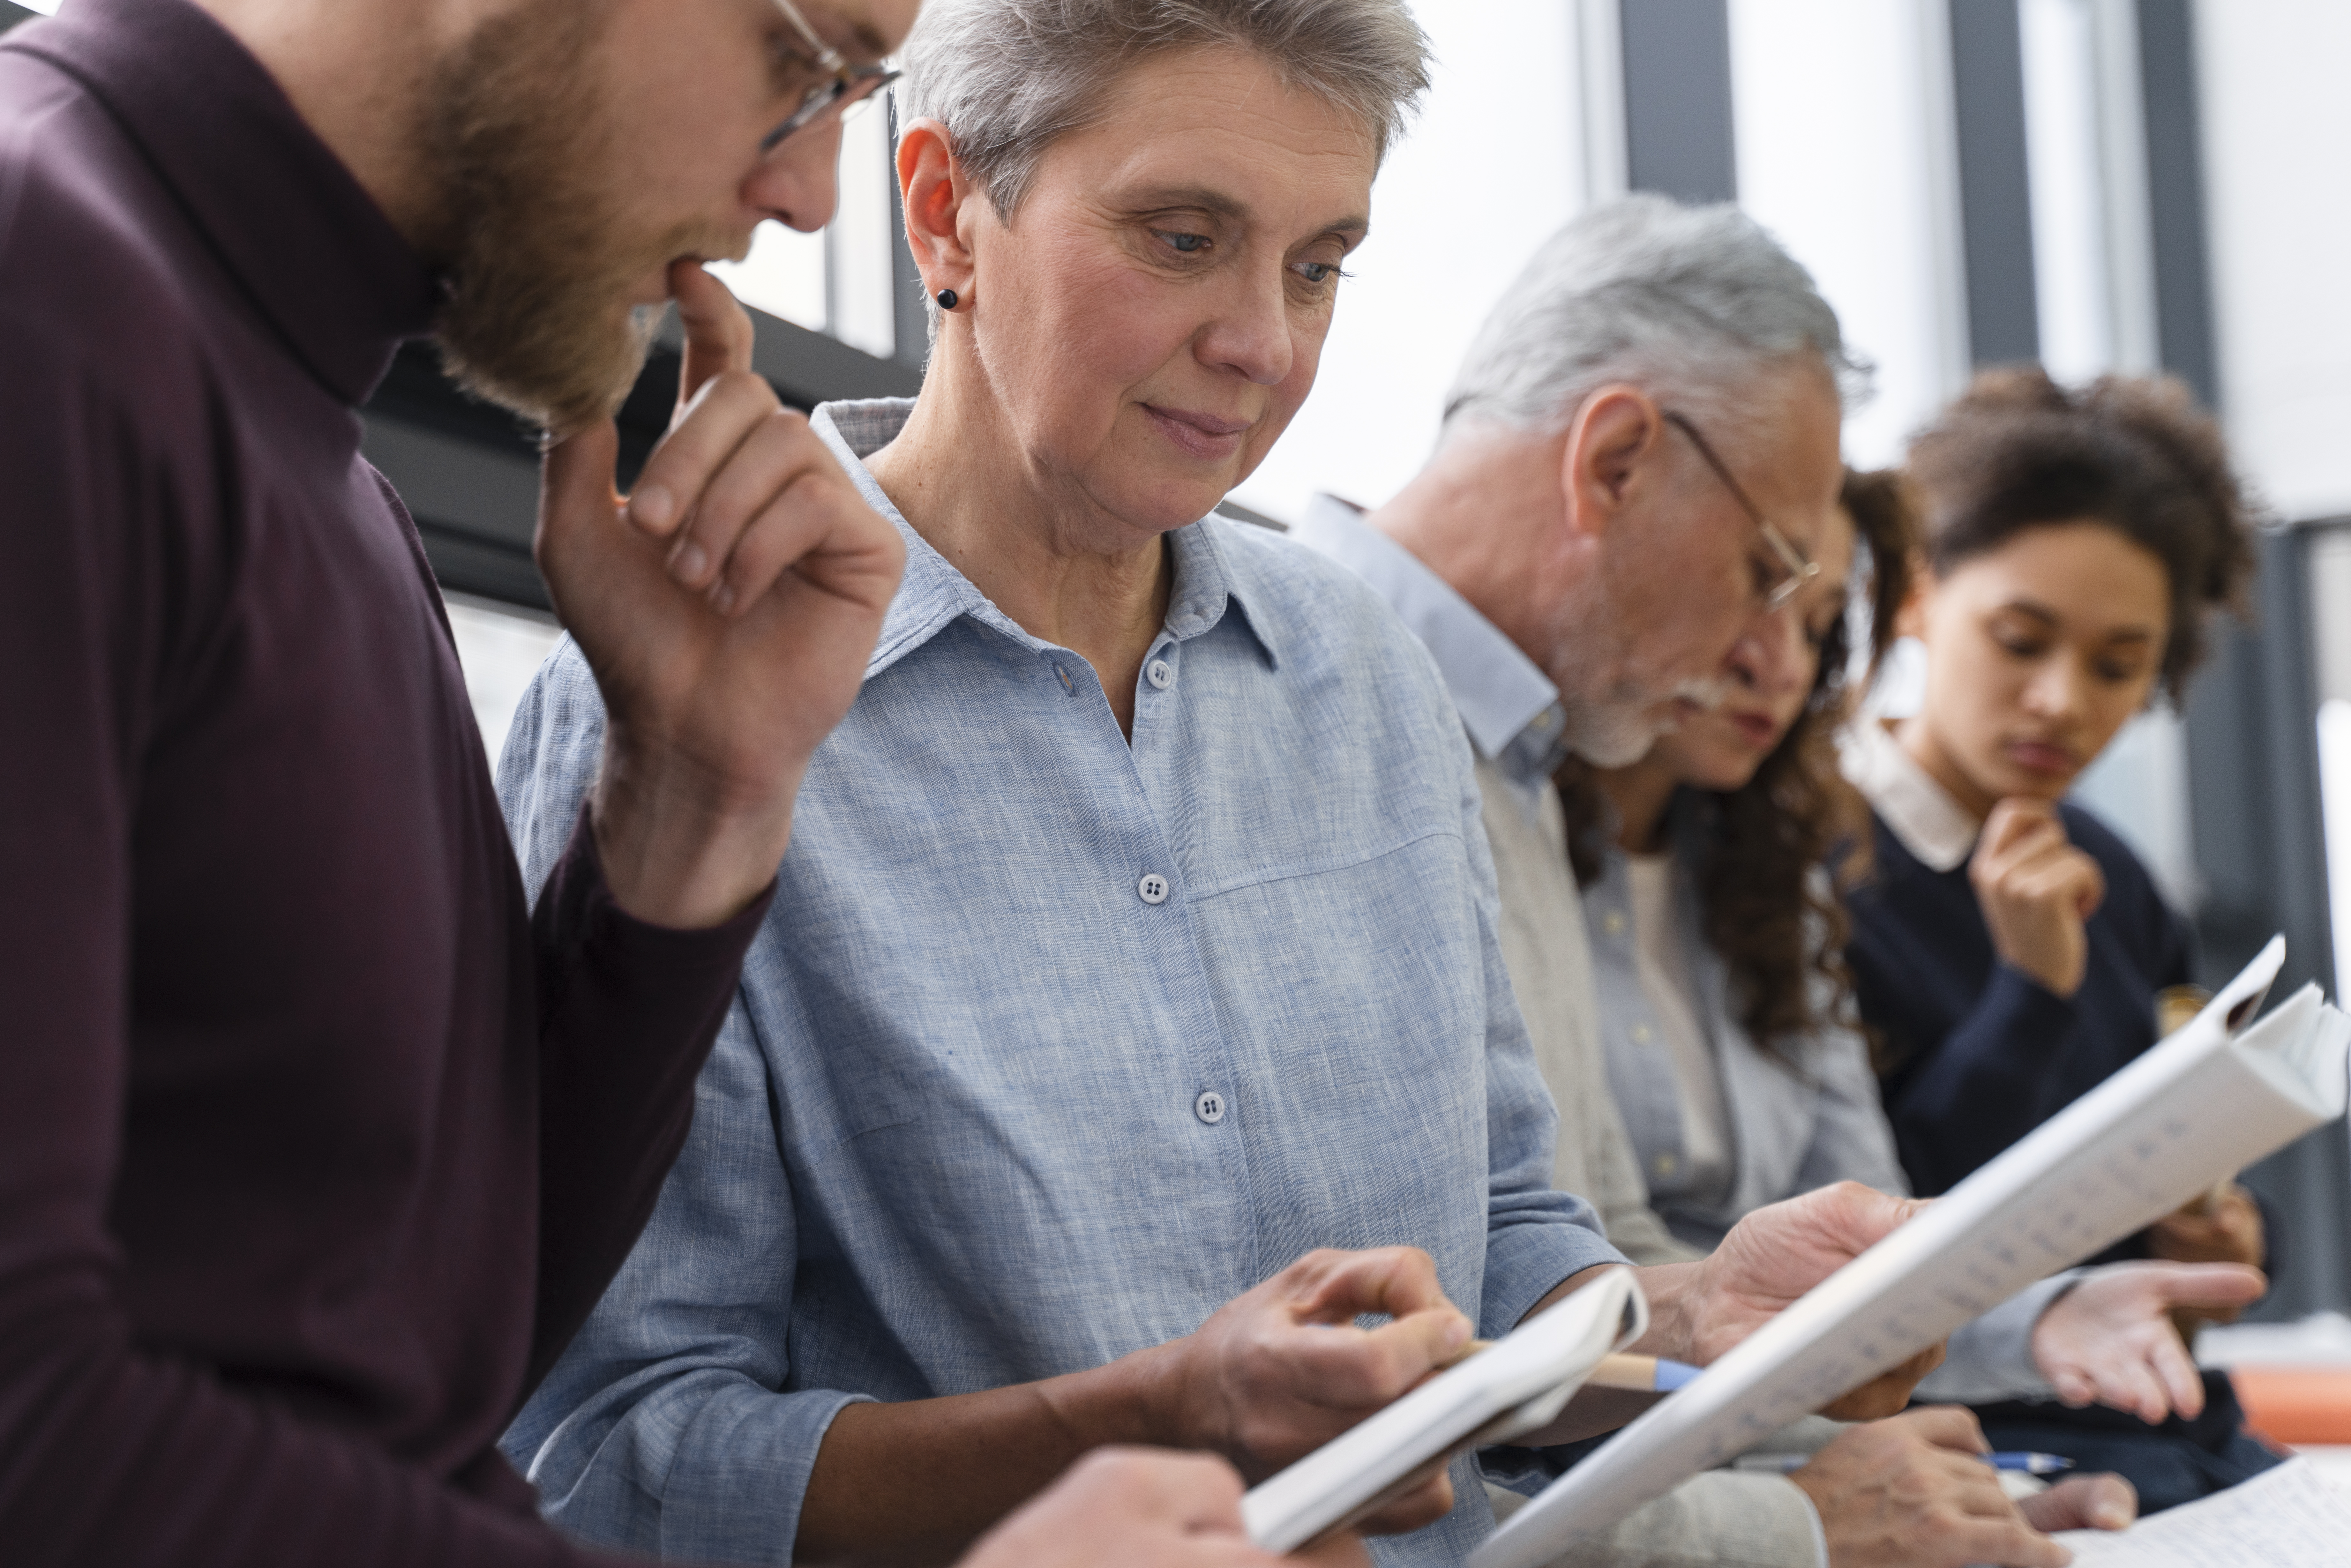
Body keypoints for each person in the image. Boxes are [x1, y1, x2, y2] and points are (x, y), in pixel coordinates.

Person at [497, 11, 1939, 1566]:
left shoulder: (1368, 676)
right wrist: (1154, 1420)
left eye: (1318, 264)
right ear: (942, 217)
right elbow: (612, 1455)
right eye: (1183, 238)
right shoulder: (681, 710)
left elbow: (1509, 1237)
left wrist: (1702, 1312)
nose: (1266, 339)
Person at [0, 0, 1307, 1562]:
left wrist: (698, 800)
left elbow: (433, 1350)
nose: (814, 193)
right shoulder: (44, 304)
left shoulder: (303, 443)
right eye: (803, 63)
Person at [1288, 200, 2241, 1568]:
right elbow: (1360, 1373)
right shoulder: (1326, 706)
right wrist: (1792, 1517)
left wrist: (1815, 1413)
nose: (1768, 656)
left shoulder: (1509, 756)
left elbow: (1564, 1266)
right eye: (1765, 574)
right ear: (1612, 462)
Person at [1839, 368, 2273, 1511]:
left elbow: (2164, 1146)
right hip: (1973, 1460)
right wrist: (2029, 991)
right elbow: (1870, 1230)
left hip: (2169, 1427)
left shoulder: (2113, 872)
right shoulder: (1810, 864)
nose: (2059, 701)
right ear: (1920, 594)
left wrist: (2213, 1228)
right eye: (2021, 638)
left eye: (2118, 666)